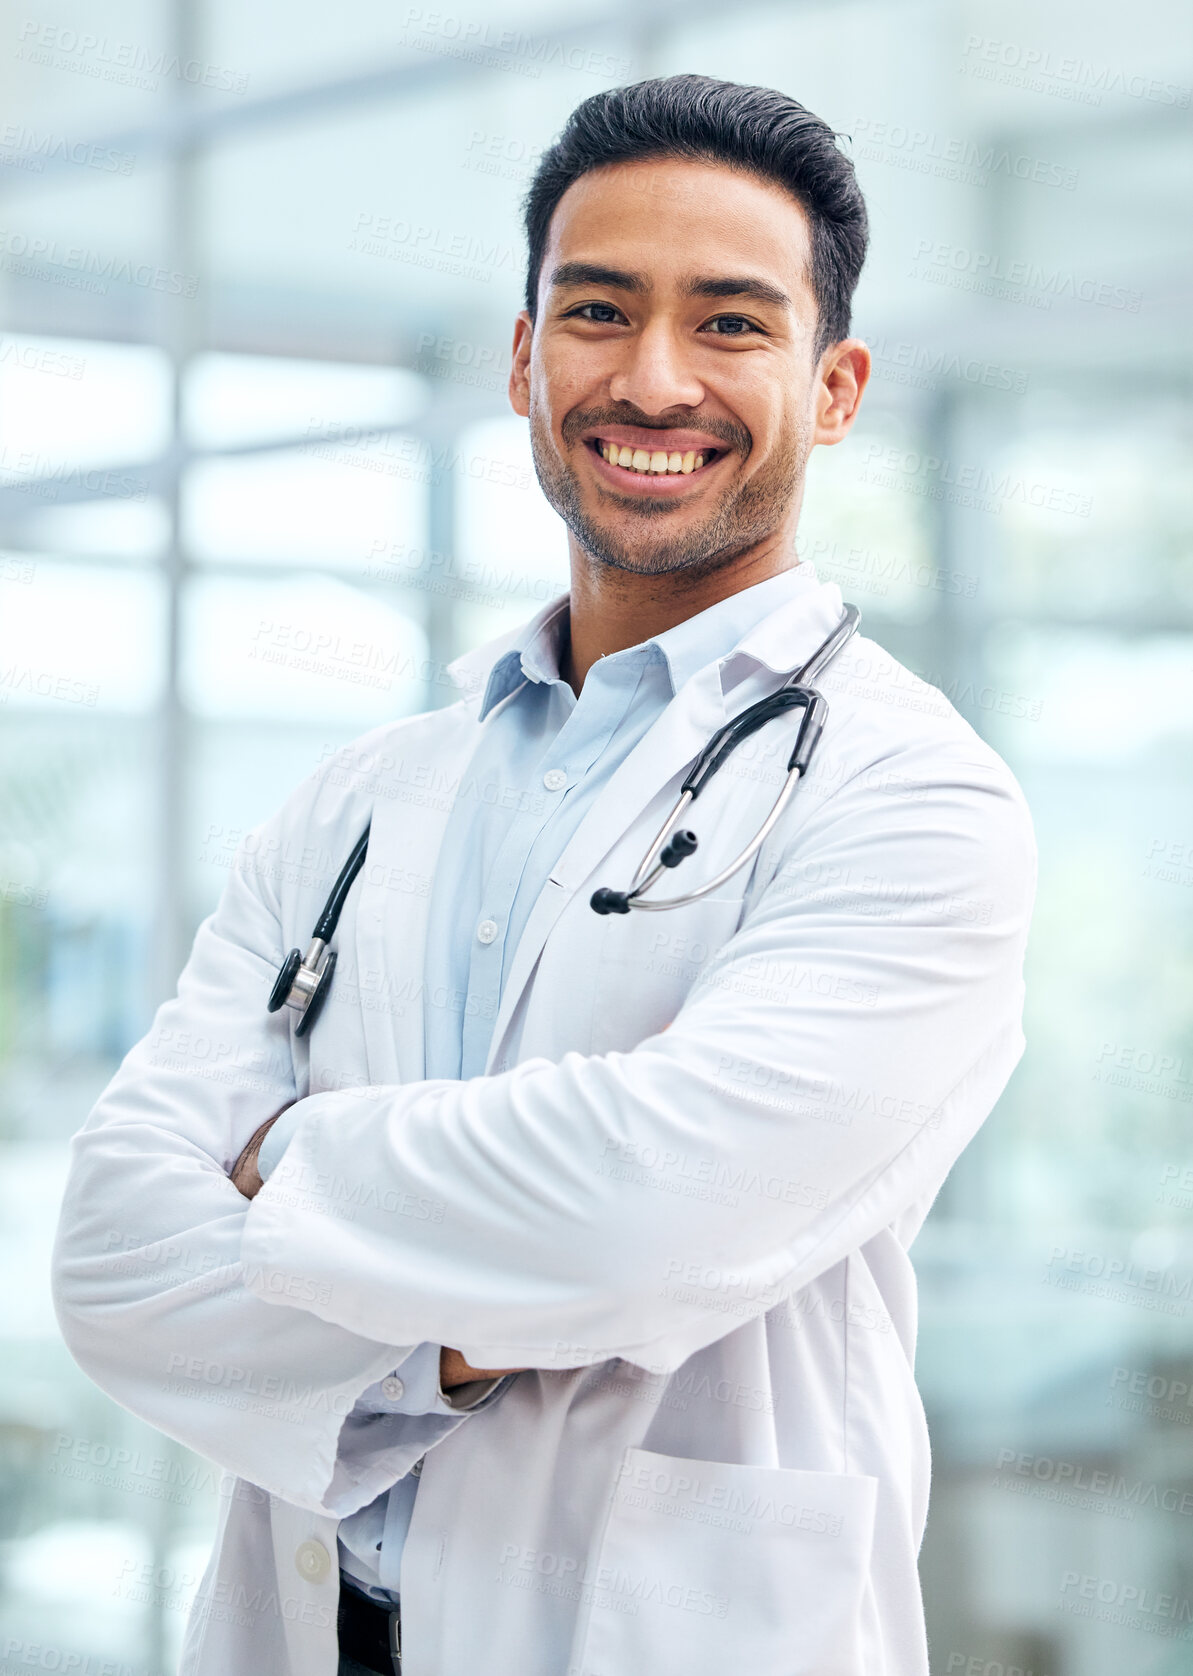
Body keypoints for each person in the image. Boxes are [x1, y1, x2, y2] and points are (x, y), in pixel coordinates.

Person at [52, 74, 1036, 1676]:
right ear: (523, 357)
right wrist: (462, 1318)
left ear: (834, 385)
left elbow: (654, 1209)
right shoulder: (358, 799)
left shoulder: (910, 795)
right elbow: (112, 1258)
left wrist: (288, 1154)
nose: (652, 381)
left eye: (729, 325)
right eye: (597, 310)